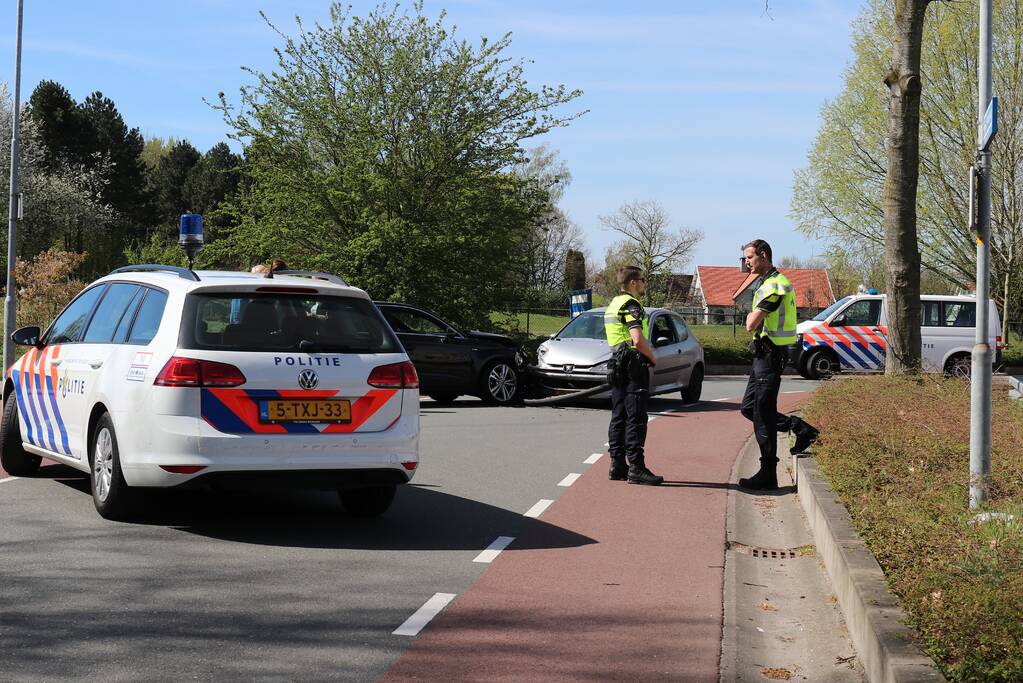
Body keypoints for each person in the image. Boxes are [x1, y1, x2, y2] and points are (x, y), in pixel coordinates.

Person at [738, 239, 819, 491]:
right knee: (749, 408)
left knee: (762, 413)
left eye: (749, 257)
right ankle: (800, 428)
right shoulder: (766, 282)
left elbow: (751, 323)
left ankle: (768, 473)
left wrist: (751, 318)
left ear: (763, 255)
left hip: (771, 355)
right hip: (764, 354)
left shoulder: (775, 285)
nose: (746, 262)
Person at [603, 266, 663, 486]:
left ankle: (617, 464)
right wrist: (652, 357)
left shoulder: (613, 304)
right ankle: (636, 467)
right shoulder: (631, 304)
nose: (645, 284)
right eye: (642, 280)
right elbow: (637, 338)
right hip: (633, 362)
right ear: (632, 283)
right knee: (636, 416)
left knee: (618, 414)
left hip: (616, 361)